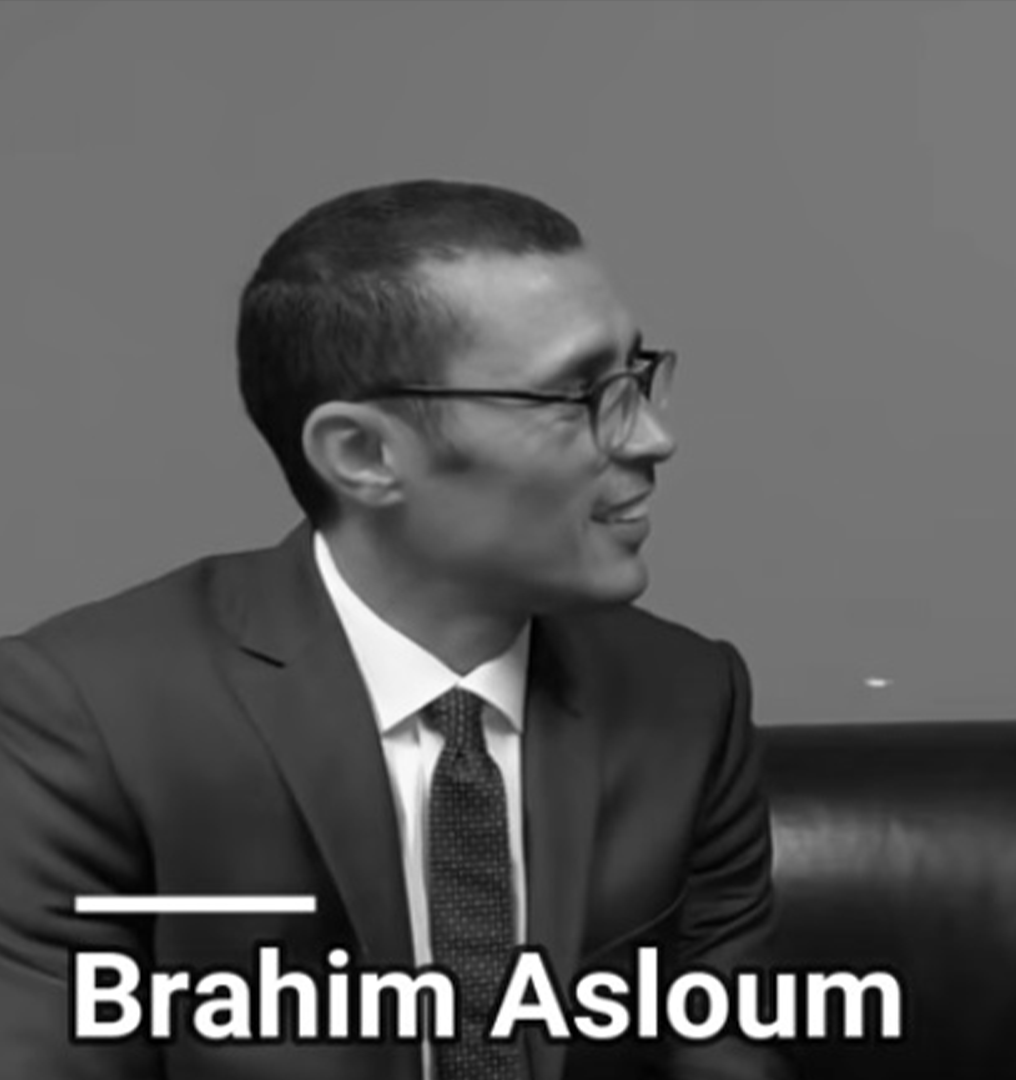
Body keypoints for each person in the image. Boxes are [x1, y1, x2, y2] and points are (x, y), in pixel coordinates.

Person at [0, 180, 790, 1080]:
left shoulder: (689, 698)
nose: (650, 437)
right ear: (363, 454)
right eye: (580, 394)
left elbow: (722, 1047)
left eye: (635, 376)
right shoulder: (85, 714)